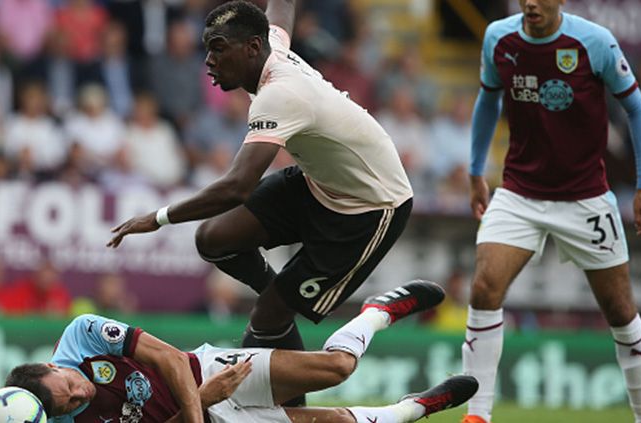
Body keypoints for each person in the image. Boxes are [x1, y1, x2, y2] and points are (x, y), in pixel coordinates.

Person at [107, 2, 415, 407]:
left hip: (369, 207)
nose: (209, 62)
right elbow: (282, 8)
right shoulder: (270, 45)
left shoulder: (279, 94)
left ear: (252, 47)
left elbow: (236, 187)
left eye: (218, 49)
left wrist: (158, 217)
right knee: (214, 239)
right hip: (319, 183)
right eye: (207, 50)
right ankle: (276, 303)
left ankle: (288, 406)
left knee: (267, 317)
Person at [462, 1, 641, 423]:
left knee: (621, 312)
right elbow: (487, 100)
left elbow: (638, 111)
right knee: (484, 287)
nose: (531, 2)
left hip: (585, 198)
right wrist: (477, 170)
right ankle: (477, 415)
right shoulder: (499, 37)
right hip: (519, 193)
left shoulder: (594, 42)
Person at [5, 280, 479, 423]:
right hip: (210, 415)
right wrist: (204, 406)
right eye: (69, 403)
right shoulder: (67, 420)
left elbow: (168, 358)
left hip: (203, 369)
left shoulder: (81, 334)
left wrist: (200, 397)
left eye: (67, 384)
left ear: (53, 365)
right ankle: (417, 408)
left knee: (337, 367)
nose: (78, 394)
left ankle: (379, 310)